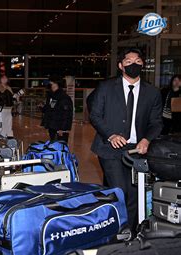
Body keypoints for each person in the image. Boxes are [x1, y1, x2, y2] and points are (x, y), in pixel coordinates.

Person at [90, 48, 163, 230]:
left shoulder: (152, 93)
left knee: (134, 195)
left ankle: (127, 232)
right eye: (129, 61)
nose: (134, 64)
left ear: (143, 64)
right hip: (110, 149)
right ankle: (115, 229)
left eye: (137, 61)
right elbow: (95, 115)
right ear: (121, 66)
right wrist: (110, 135)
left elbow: (156, 122)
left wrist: (147, 139)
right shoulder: (106, 88)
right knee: (120, 191)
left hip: (137, 151)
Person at [41, 76, 73, 142]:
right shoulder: (54, 96)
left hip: (59, 129)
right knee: (55, 147)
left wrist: (62, 129)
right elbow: (52, 108)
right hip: (53, 126)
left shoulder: (63, 97)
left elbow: (67, 114)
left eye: (51, 83)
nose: (49, 85)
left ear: (56, 84)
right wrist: (43, 108)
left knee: (60, 148)